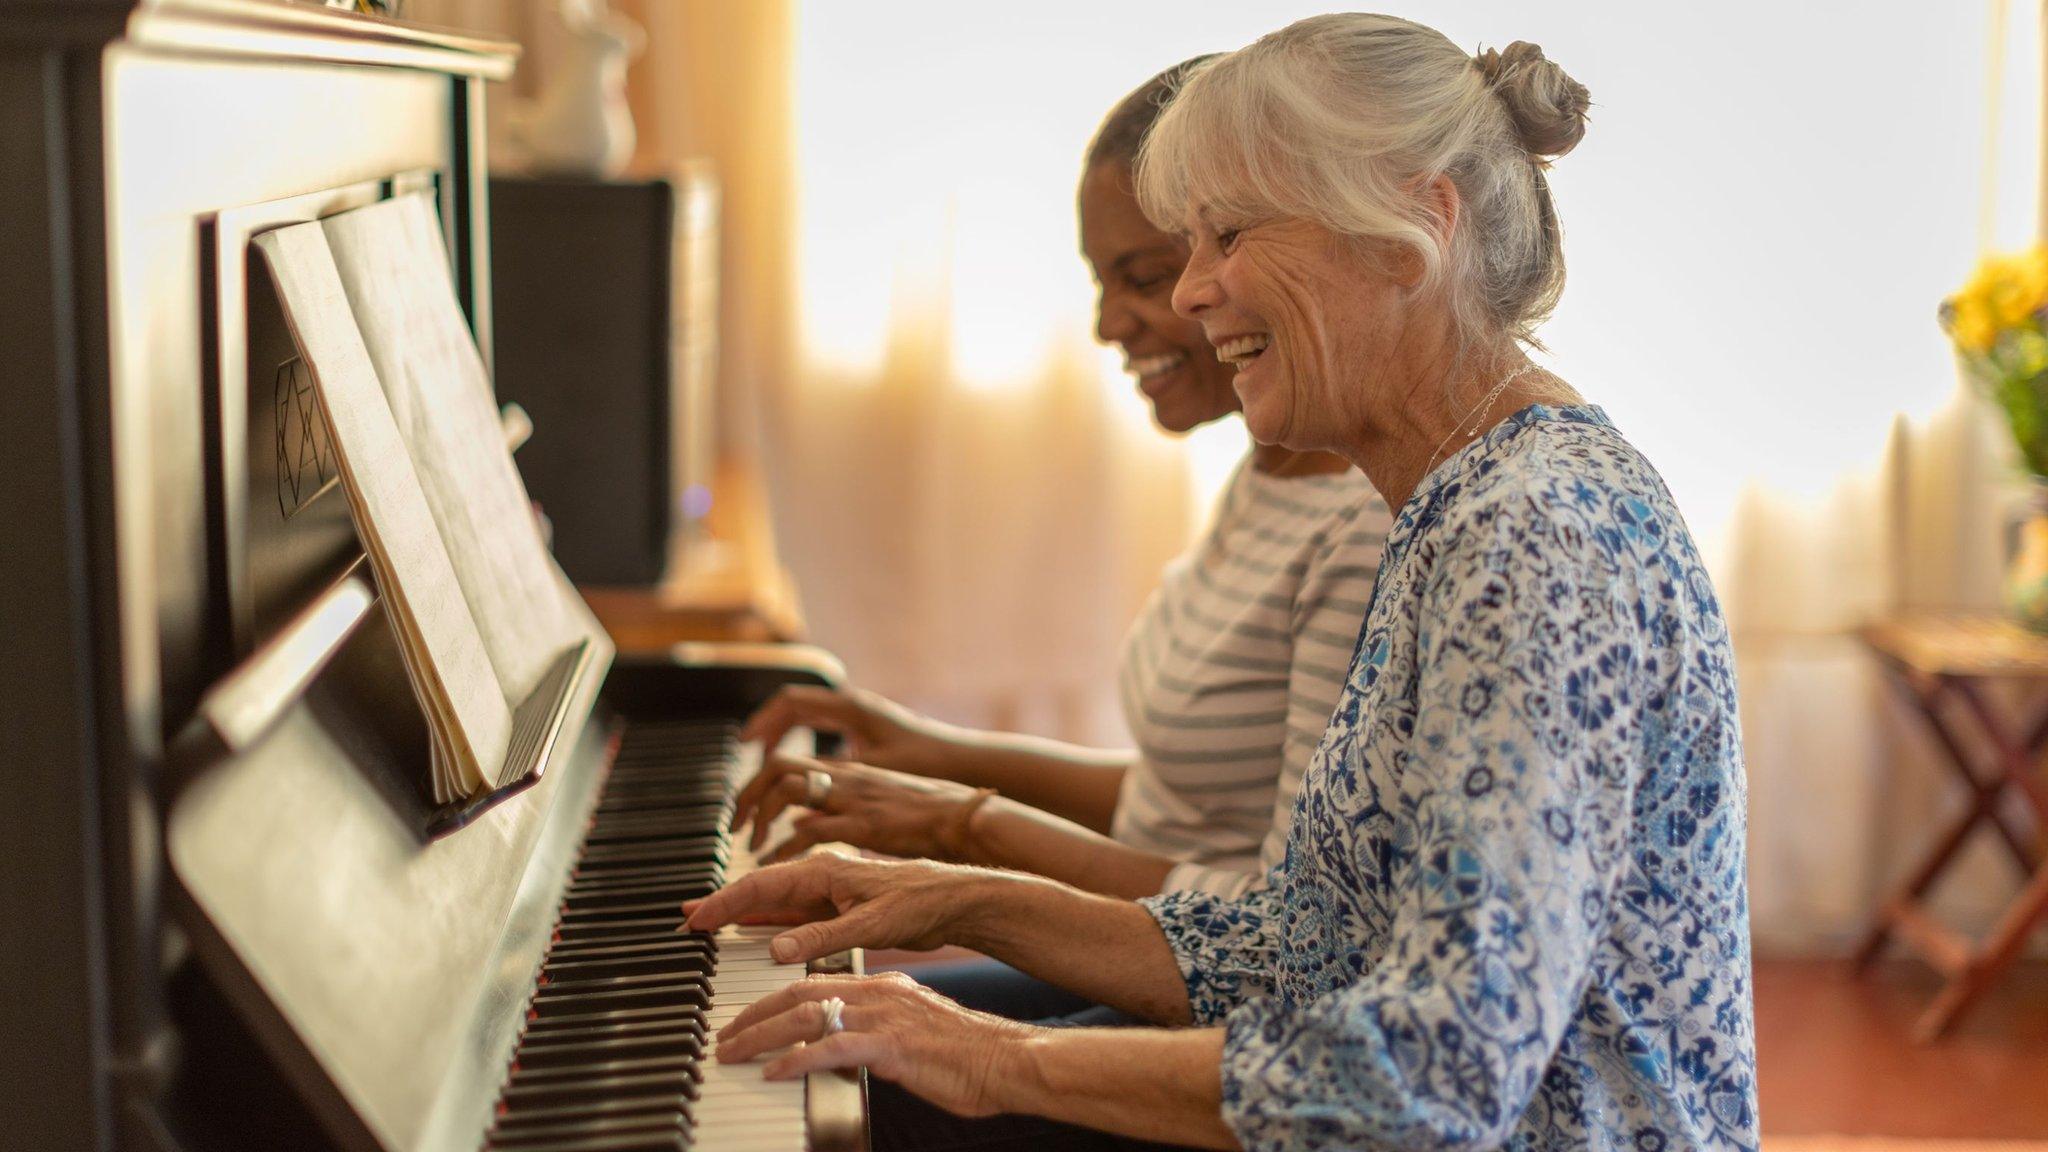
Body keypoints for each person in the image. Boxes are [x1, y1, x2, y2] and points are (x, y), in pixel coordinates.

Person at [689, 14, 1758, 1152]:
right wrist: (956, 890)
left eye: (1227, 236)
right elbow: (1309, 944)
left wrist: (994, 1052)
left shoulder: (1531, 535)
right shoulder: (1455, 502)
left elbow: (1438, 1076)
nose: (1194, 293)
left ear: (1414, 226)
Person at [732, 65, 1391, 918]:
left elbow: (1283, 923)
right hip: (1155, 950)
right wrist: (931, 752)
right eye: (1099, 282)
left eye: (1144, 278)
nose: (1107, 325)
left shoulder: (1358, 532)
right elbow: (1174, 810)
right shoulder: (1273, 465)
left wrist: (964, 826)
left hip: (1201, 997)